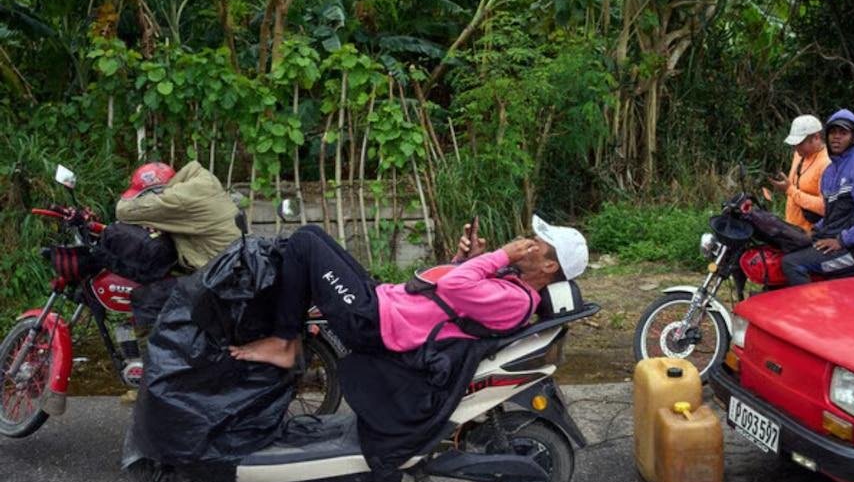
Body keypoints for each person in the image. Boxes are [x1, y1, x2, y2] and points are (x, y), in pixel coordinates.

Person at [229, 216, 589, 369]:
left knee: (306, 241)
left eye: (538, 245)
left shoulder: (515, 300)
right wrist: (468, 258)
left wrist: (499, 255)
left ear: (549, 268)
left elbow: (453, 287)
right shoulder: (512, 284)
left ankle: (284, 342)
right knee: (314, 237)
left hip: (377, 323)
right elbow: (453, 297)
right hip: (387, 304)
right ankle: (285, 334)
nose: (527, 245)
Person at [782, 109, 854, 285]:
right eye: (833, 132)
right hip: (832, 241)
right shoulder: (830, 173)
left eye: (843, 132)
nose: (836, 137)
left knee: (792, 263)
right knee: (786, 250)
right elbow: (832, 215)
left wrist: (842, 240)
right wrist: (814, 231)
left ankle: (809, 311)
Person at [115, 161, 240, 272]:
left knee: (148, 294)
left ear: (157, 190)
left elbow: (123, 211)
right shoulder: (200, 180)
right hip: (234, 258)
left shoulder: (178, 198)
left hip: (218, 272)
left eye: (143, 196)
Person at [768, 114, 831, 233]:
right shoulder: (799, 154)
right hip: (791, 226)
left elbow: (825, 207)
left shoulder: (827, 164)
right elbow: (794, 185)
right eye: (794, 144)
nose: (796, 147)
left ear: (816, 137)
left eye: (800, 143)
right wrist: (784, 186)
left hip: (810, 234)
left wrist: (789, 190)